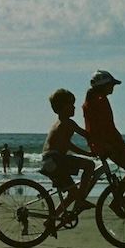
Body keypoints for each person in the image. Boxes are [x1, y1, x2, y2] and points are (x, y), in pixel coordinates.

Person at [83, 69, 125, 216]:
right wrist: (116, 144)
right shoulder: (101, 101)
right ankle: (123, 200)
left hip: (99, 145)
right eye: (111, 85)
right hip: (109, 145)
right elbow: (106, 127)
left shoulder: (90, 101)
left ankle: (118, 198)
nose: (113, 87)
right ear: (104, 85)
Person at [39, 89, 96, 236]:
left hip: (49, 160)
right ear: (63, 107)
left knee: (72, 193)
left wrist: (88, 153)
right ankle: (81, 201)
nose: (74, 108)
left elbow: (68, 145)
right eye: (71, 105)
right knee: (90, 165)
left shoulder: (60, 123)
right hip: (55, 159)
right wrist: (104, 141)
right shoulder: (67, 122)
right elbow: (86, 135)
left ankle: (50, 220)